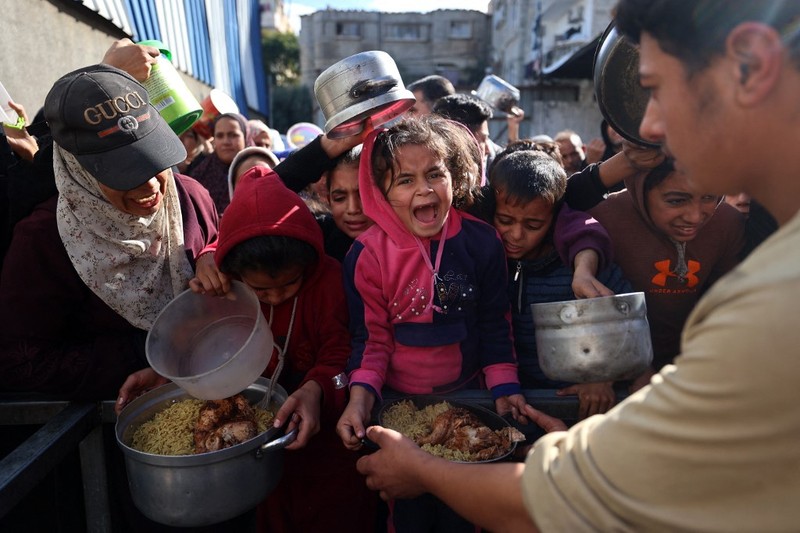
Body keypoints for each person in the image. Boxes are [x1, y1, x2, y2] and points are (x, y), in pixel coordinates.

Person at [355, 1, 800, 530]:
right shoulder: (771, 278)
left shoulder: (773, 307)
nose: (650, 124)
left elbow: (570, 500)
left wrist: (425, 471)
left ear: (750, 65)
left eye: (655, 88)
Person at [121, 167, 377, 532]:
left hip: (330, 444)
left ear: (309, 264)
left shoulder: (331, 282)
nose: (274, 297)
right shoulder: (226, 288)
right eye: (261, 291)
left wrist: (315, 387)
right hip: (260, 449)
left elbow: (341, 350)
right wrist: (168, 372)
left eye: (288, 286)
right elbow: (198, 344)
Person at [336, 115, 537, 532]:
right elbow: (371, 341)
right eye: (404, 180)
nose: (424, 189)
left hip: (469, 402)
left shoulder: (482, 242)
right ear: (381, 193)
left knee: (465, 512)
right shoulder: (367, 256)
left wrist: (506, 388)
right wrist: (359, 401)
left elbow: (494, 324)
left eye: (435, 174)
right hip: (399, 409)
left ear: (457, 176)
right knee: (409, 515)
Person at [0, 63, 218, 400]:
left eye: (152, 158)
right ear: (76, 167)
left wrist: (214, 255)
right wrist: (147, 352)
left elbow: (223, 261)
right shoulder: (44, 240)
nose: (149, 185)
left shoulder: (191, 198)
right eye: (122, 171)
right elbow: (20, 363)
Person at [488, 149, 632, 420]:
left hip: (580, 405)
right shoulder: (485, 260)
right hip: (508, 400)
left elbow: (628, 322)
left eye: (533, 225)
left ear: (555, 220)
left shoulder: (582, 266)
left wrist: (604, 376)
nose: (516, 235)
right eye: (505, 221)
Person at [589, 157, 744, 375]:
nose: (695, 216)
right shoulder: (603, 217)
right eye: (676, 201)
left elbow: (727, 305)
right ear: (640, 190)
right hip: (614, 365)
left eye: (709, 197)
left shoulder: (727, 223)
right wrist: (625, 369)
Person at [188, 112, 249, 214]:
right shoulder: (200, 175)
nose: (226, 141)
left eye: (233, 135)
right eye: (220, 136)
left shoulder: (257, 169)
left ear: (245, 137)